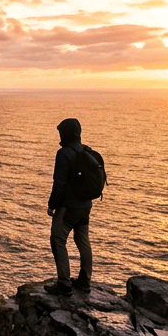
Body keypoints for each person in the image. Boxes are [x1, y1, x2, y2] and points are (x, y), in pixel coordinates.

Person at [46, 117, 104, 294]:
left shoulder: (64, 153)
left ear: (65, 133)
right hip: (86, 207)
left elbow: (59, 183)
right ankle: (85, 281)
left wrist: (52, 205)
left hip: (68, 207)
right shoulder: (87, 152)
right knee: (82, 241)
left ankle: (64, 283)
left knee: (57, 240)